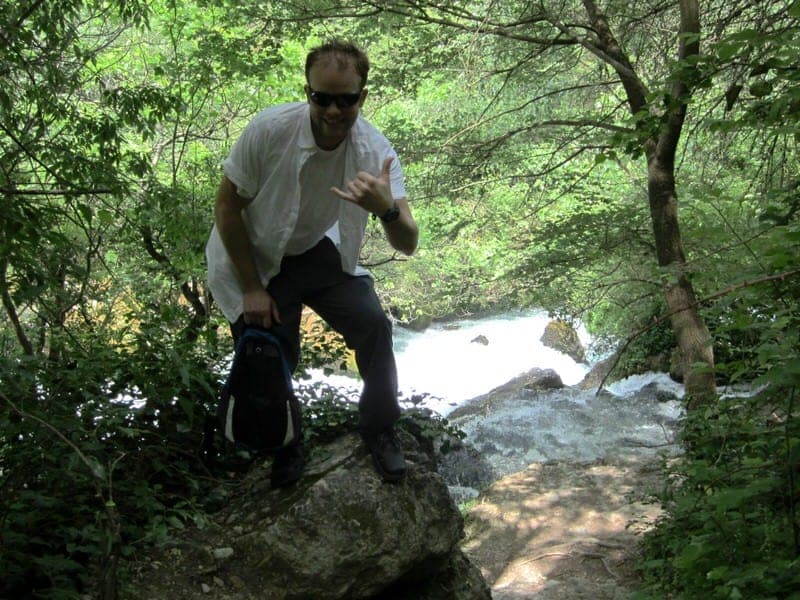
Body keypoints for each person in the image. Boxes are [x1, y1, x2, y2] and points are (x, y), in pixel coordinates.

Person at [205, 39, 419, 488]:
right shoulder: (270, 131)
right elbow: (226, 207)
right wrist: (251, 288)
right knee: (268, 349)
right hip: (253, 254)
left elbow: (408, 242)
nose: (333, 111)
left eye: (346, 100)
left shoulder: (373, 152)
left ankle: (379, 428)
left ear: (363, 96)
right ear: (308, 92)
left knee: (373, 325)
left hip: (313, 251)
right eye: (322, 98)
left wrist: (387, 209)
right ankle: (286, 445)